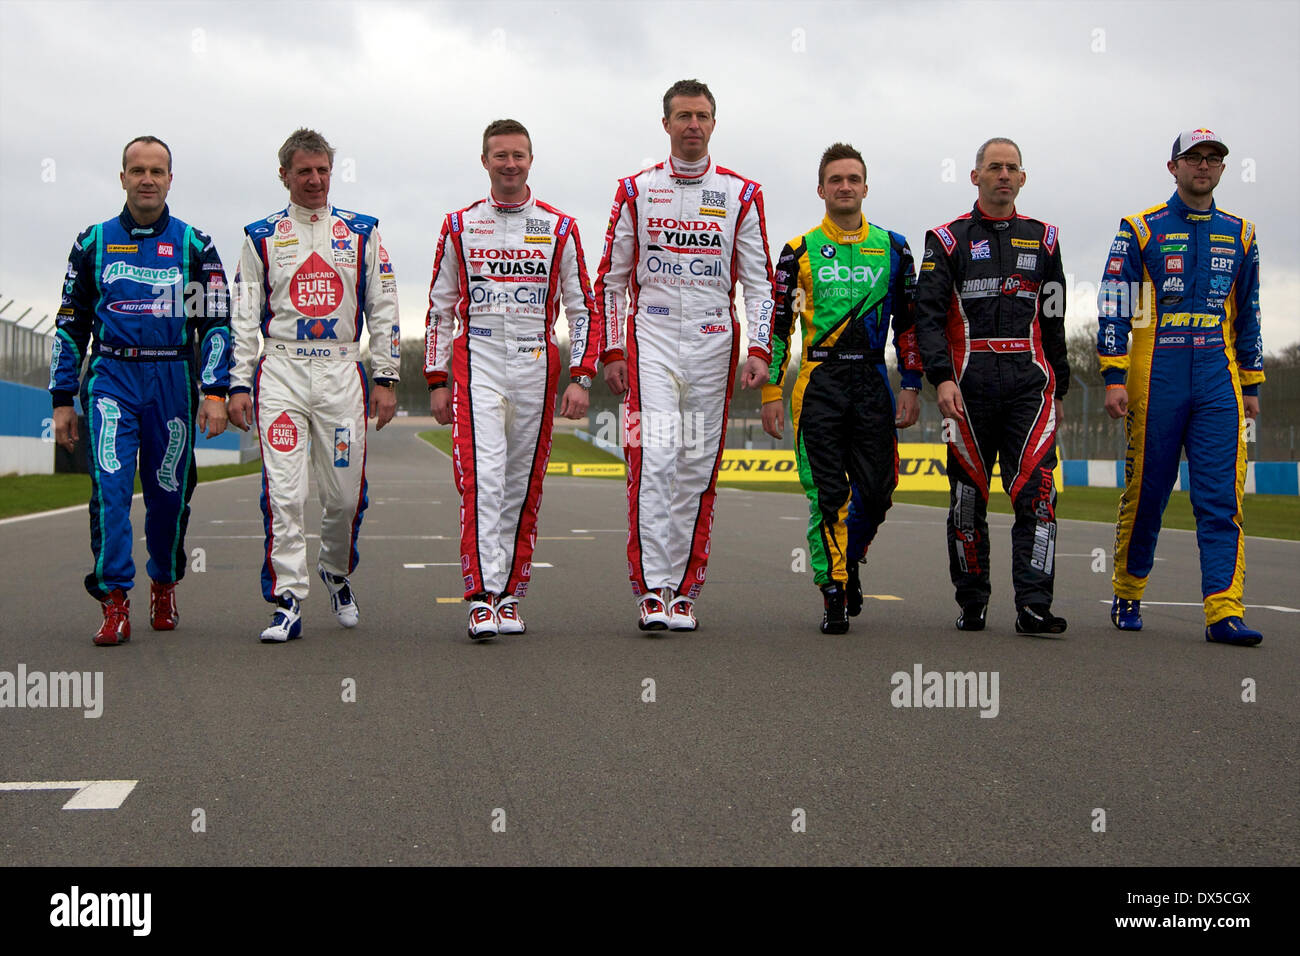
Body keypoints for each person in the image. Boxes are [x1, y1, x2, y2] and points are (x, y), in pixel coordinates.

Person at [596, 78, 775, 632]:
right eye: (682, 116)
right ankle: (652, 589)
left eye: (701, 116)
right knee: (655, 458)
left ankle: (684, 589)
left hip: (713, 342)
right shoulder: (635, 189)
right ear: (666, 124)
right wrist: (612, 349)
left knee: (696, 467)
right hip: (651, 337)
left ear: (714, 124)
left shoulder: (742, 193)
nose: (692, 125)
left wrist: (759, 348)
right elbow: (612, 280)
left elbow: (759, 283)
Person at [50, 136, 231, 646]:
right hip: (111, 379)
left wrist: (215, 391)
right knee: (110, 491)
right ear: (122, 177)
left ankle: (164, 582)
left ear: (170, 179)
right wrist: (62, 399)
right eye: (137, 170)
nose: (147, 179)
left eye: (157, 170)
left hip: (173, 382)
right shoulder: (93, 242)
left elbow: (216, 322)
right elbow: (70, 322)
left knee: (168, 497)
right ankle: (113, 602)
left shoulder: (196, 244)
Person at [425, 119, 600, 640]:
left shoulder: (560, 227)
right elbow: (438, 310)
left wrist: (582, 377)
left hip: (535, 366)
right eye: (499, 155)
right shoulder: (459, 225)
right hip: (476, 364)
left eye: (518, 155)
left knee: (521, 486)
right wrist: (436, 378)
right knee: (483, 480)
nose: (509, 164)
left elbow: (582, 308)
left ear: (530, 160)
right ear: (484, 161)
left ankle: (510, 594)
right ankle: (482, 596)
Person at [228, 128, 400, 643]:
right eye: (304, 171)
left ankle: (336, 571)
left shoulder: (361, 231)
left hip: (342, 372)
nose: (315, 180)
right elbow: (242, 317)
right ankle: (287, 599)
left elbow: (384, 307)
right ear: (284, 175)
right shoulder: (260, 235)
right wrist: (238, 383)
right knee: (284, 492)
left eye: (323, 170)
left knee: (344, 497)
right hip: (280, 370)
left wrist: (386, 376)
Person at [1098, 129, 1264, 647]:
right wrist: (1113, 374)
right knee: (1148, 492)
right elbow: (1115, 302)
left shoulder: (1241, 233)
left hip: (1219, 372)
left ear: (1221, 170)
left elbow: (1250, 313)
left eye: (1213, 159)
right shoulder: (1140, 228)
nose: (1204, 166)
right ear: (1173, 167)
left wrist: (1253, 382)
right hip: (1157, 368)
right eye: (1194, 158)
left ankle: (1224, 611)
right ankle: (1128, 590)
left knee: (1221, 497)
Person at [761, 143, 922, 634]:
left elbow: (910, 327)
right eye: (836, 179)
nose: (845, 186)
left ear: (866, 187)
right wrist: (771, 391)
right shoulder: (798, 251)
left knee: (878, 492)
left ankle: (849, 559)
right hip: (819, 383)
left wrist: (912, 384)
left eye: (853, 178)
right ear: (821, 189)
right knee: (829, 494)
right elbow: (777, 326)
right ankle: (832, 589)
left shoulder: (895, 248)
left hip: (874, 380)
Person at [914, 137, 1069, 635]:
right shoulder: (946, 238)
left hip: (1030, 382)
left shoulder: (1044, 238)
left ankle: (1034, 606)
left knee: (1038, 494)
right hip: (967, 383)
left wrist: (1060, 388)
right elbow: (928, 317)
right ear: (975, 176)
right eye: (994, 167)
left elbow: (1055, 318)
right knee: (966, 498)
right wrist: (940, 379)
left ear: (1023, 178)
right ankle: (972, 600)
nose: (1003, 175)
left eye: (1012, 168)